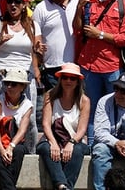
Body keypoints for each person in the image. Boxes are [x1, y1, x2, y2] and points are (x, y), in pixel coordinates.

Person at [73, 0, 125, 144]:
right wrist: (79, 7)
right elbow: (77, 28)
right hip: (89, 64)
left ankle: (115, 144)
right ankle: (93, 146)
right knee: (90, 109)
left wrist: (99, 34)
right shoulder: (90, 0)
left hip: (112, 66)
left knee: (117, 108)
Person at [37, 62, 90, 190]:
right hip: (52, 138)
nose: (68, 81)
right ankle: (62, 185)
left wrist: (71, 143)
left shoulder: (84, 100)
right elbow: (45, 124)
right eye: (65, 77)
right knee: (45, 148)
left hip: (75, 140)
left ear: (78, 81)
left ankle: (64, 186)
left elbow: (82, 129)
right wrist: (53, 143)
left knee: (77, 151)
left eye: (72, 78)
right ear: (60, 79)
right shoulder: (50, 96)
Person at [0, 68, 34, 190]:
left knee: (19, 151)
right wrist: (1, 149)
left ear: (22, 87)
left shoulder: (27, 105)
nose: (9, 87)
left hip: (14, 143)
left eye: (13, 84)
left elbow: (22, 131)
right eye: (7, 83)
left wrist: (10, 147)